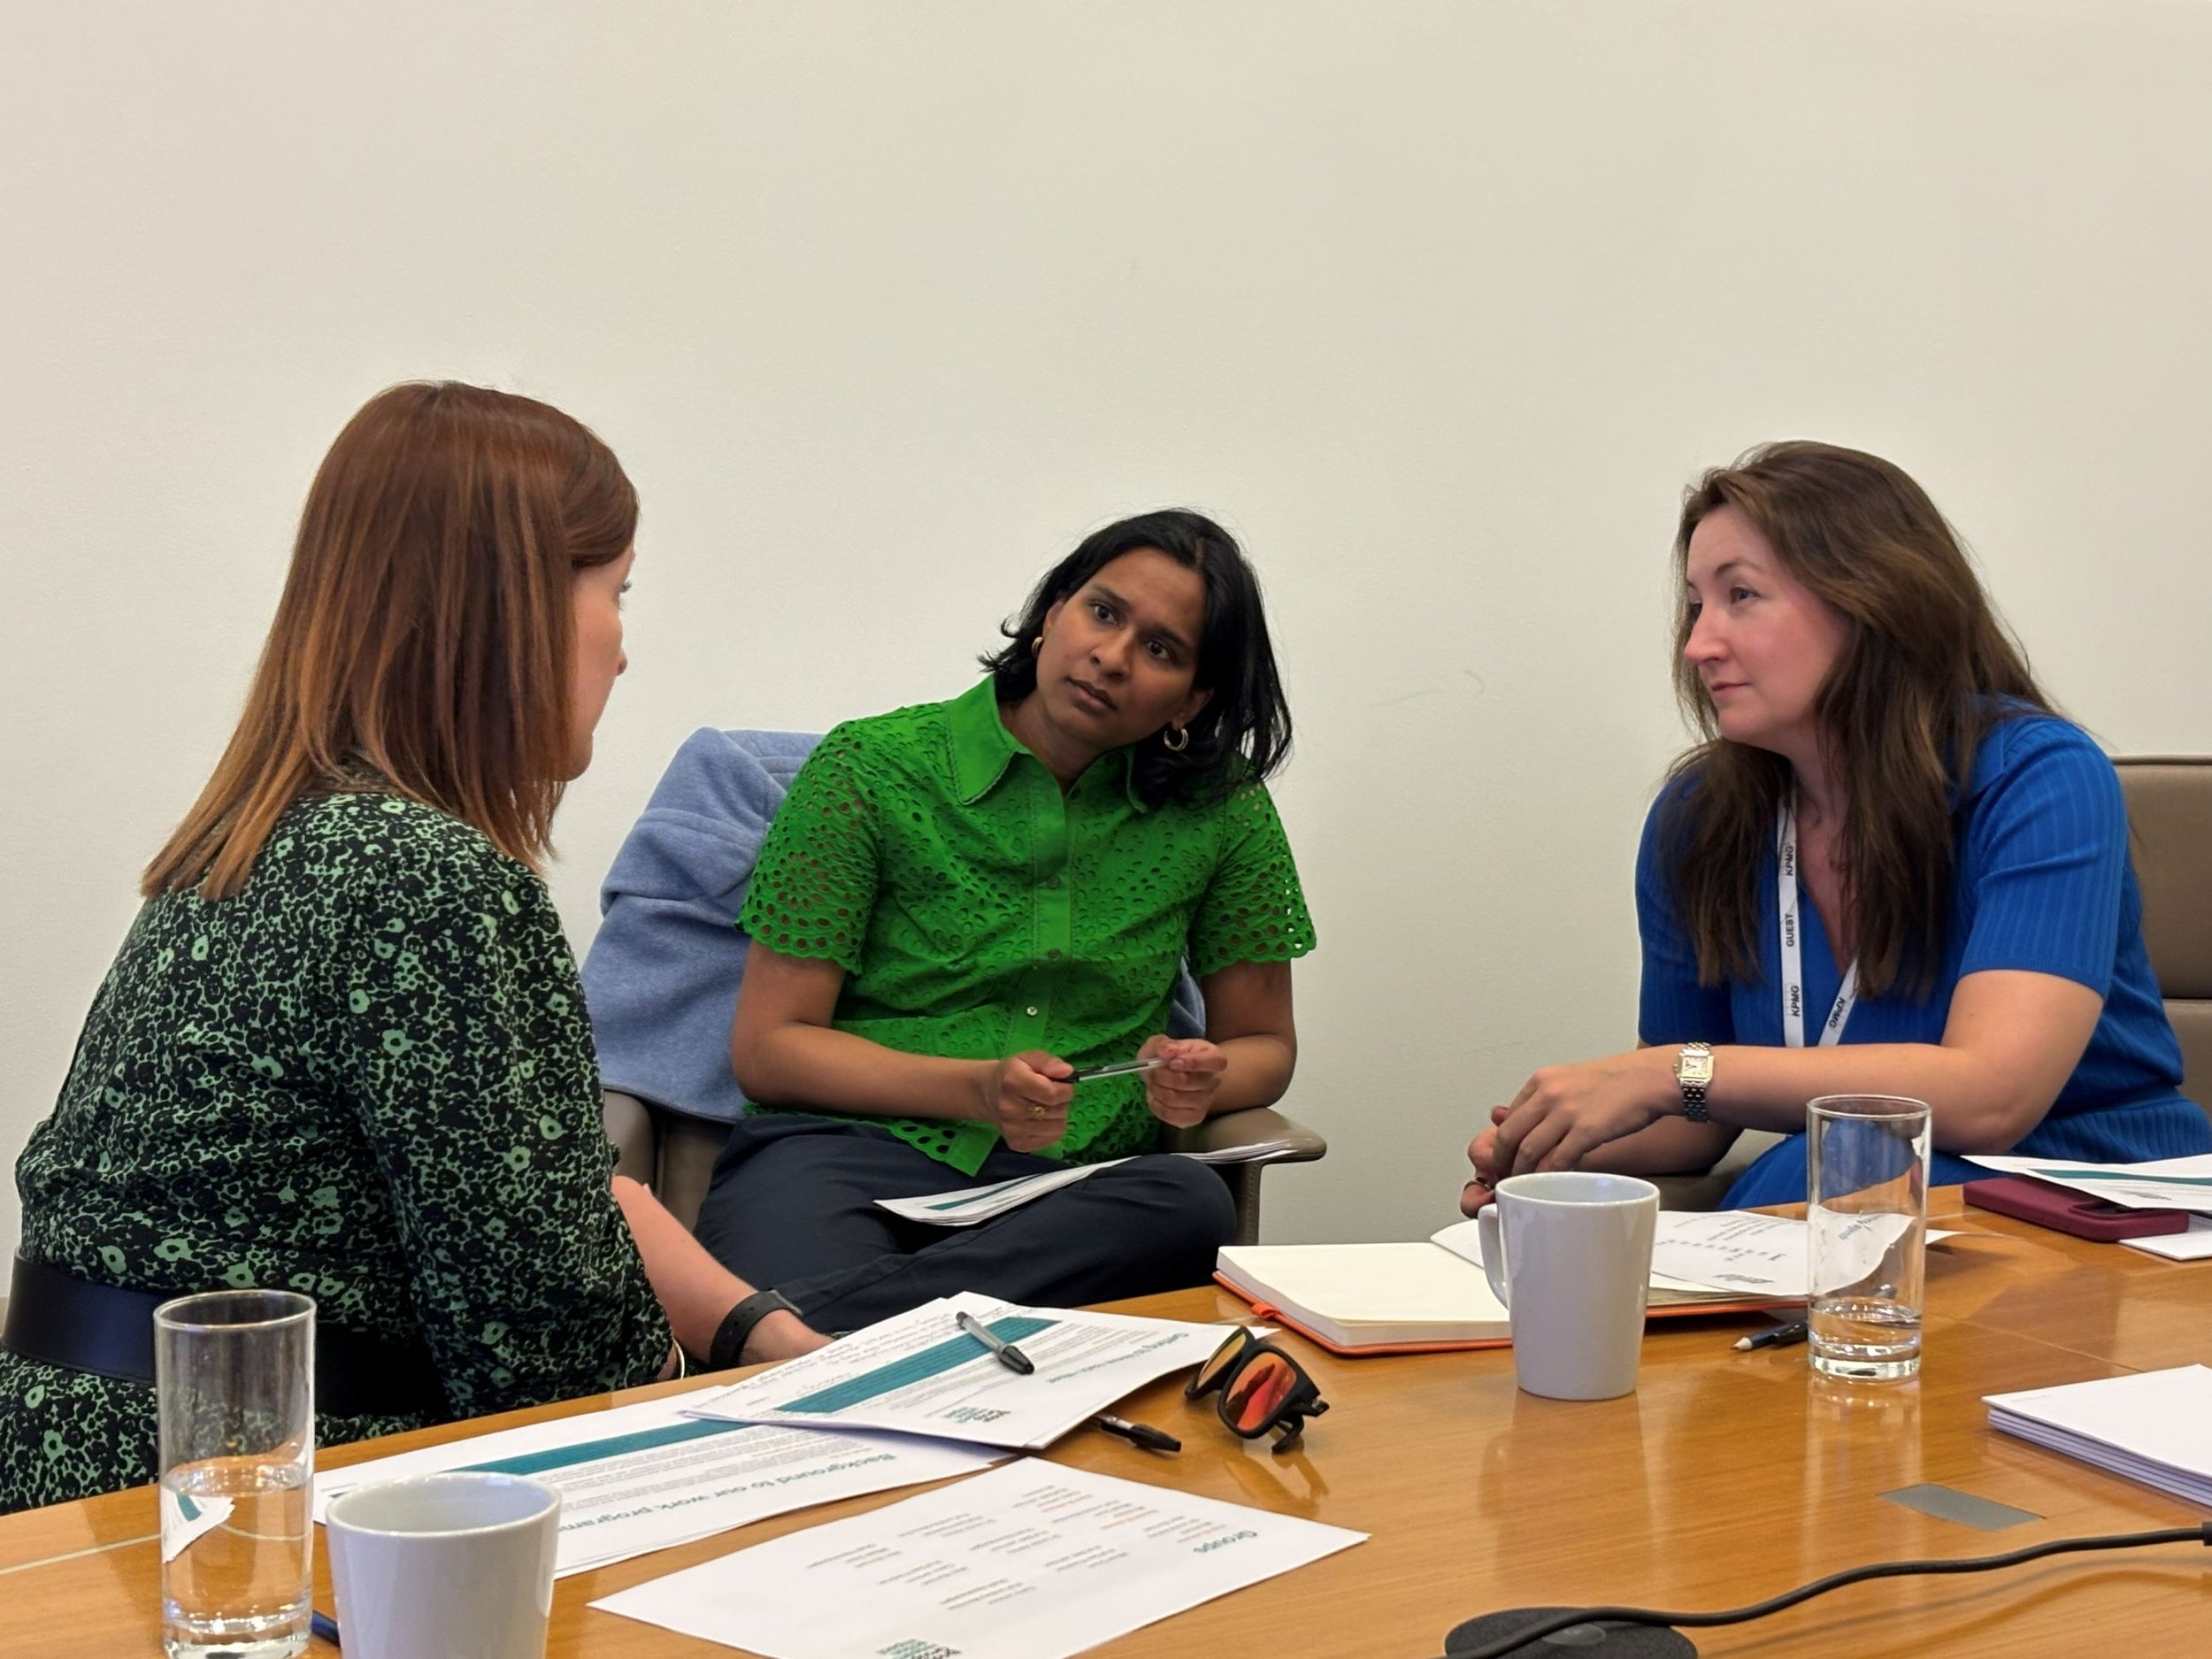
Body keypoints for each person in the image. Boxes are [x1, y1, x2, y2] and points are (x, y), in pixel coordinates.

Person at [0, 382, 823, 1515]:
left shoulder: (242, 849)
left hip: (84, 1472)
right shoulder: (428, 879)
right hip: (259, 1502)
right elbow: (544, 1349)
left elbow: (547, 1197)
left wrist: (761, 1334)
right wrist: (766, 1430)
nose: (622, 649)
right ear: (518, 607)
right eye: (614, 592)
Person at [1462, 441, 2212, 1213]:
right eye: (1695, 604)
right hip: (1856, 1209)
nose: (1698, 644)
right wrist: (1549, 1151)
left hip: (2105, 1205)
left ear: (1872, 599)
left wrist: (1662, 1074)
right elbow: (1697, 1118)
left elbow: (1993, 1095)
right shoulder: (1697, 821)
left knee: (1824, 1186)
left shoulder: (2039, 776)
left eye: (1741, 596)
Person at [690, 509, 1316, 1339]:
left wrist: (1202, 1078)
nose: (1112, 656)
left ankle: (797, 1336)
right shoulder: (868, 768)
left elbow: (1264, 1048)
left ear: (1194, 698)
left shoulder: (1223, 811)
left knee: (1192, 1204)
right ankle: (852, 1332)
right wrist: (978, 1086)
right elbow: (769, 1048)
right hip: (837, 1158)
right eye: (1103, 611)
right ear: (1053, 609)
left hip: (1070, 1188)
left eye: (1162, 650)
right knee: (797, 1249)